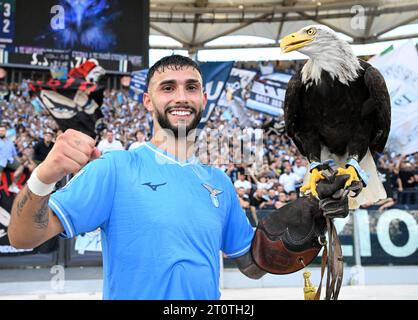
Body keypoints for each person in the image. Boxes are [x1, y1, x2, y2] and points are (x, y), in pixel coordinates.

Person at [9, 55, 347, 300]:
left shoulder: (220, 182)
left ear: (203, 98)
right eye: (167, 88)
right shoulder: (115, 168)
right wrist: (44, 176)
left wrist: (310, 219)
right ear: (148, 101)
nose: (181, 97)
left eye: (191, 87)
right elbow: (22, 236)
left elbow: (253, 265)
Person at [0, 124, 24, 193]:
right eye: (0, 131)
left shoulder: (10, 141)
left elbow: (14, 154)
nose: (1, 132)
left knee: (21, 167)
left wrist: (19, 160)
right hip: (0, 160)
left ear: (5, 132)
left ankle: (13, 186)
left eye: (3, 130)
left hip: (9, 160)